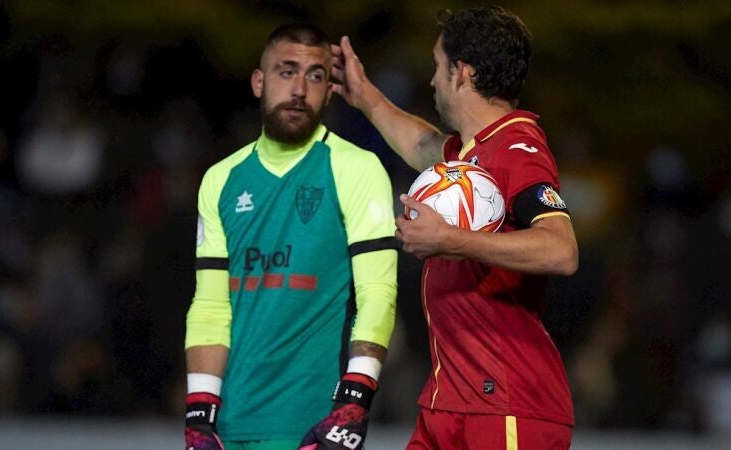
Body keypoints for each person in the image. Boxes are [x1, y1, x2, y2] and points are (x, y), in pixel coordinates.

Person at [331, 6, 578, 449]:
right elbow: (422, 143)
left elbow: (561, 250)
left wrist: (450, 239)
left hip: (506, 402)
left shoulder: (516, 148)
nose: (431, 81)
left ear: (462, 72)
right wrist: (363, 93)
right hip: (450, 401)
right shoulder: (468, 154)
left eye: (437, 65)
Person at [183, 23, 398, 450]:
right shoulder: (220, 180)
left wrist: (354, 401)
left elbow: (377, 294)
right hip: (229, 425)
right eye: (286, 72)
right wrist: (198, 415)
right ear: (258, 82)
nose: (300, 89)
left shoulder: (357, 168)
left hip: (314, 426)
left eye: (315, 76)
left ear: (330, 90)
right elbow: (210, 306)